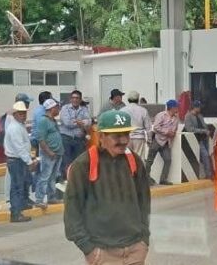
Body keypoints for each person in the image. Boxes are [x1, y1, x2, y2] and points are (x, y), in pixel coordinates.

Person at [64, 108, 152, 265]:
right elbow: (72, 212)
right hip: (103, 255)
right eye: (117, 136)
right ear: (101, 136)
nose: (124, 140)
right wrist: (89, 249)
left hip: (135, 251)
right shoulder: (83, 165)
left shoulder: (135, 161)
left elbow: (144, 202)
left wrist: (144, 240)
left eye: (126, 134)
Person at [5, 101, 34, 223]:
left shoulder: (19, 125)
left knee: (19, 185)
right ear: (15, 114)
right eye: (21, 113)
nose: (24, 115)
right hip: (16, 160)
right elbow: (19, 147)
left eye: (24, 113)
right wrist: (29, 161)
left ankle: (19, 208)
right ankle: (16, 213)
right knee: (17, 187)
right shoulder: (15, 128)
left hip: (18, 160)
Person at [35, 98, 64, 208]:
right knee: (45, 176)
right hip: (49, 154)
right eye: (57, 107)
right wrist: (49, 152)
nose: (58, 109)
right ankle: (39, 199)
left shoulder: (52, 120)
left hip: (57, 153)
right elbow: (41, 139)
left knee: (52, 177)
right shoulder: (43, 121)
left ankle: (52, 197)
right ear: (52, 108)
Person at [146, 99, 180, 186]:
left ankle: (163, 179)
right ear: (172, 108)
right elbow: (156, 127)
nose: (178, 108)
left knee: (168, 160)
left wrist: (172, 133)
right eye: (176, 107)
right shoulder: (161, 115)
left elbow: (175, 129)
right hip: (157, 140)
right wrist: (167, 132)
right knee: (150, 160)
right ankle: (145, 178)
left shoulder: (176, 119)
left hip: (166, 142)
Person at [59, 90, 92, 173]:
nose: (75, 100)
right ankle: (65, 180)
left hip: (79, 139)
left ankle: (76, 179)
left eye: (77, 98)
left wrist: (78, 121)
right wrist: (81, 123)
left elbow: (89, 121)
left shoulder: (84, 109)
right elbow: (67, 123)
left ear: (80, 100)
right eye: (73, 98)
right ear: (70, 99)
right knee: (66, 161)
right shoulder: (65, 108)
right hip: (66, 138)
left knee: (78, 161)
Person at [183, 100, 213, 179]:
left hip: (204, 138)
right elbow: (189, 129)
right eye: (199, 107)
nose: (200, 109)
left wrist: (207, 130)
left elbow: (203, 125)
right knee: (205, 155)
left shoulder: (200, 115)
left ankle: (207, 173)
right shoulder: (188, 116)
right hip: (196, 139)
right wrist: (203, 131)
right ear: (194, 107)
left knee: (207, 156)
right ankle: (209, 174)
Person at [120, 90, 151, 160]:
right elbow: (148, 127)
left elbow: (120, 126)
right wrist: (149, 140)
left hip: (126, 137)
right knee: (139, 159)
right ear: (138, 100)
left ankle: (128, 171)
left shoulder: (122, 110)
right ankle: (139, 171)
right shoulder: (143, 110)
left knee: (127, 158)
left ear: (128, 100)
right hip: (139, 138)